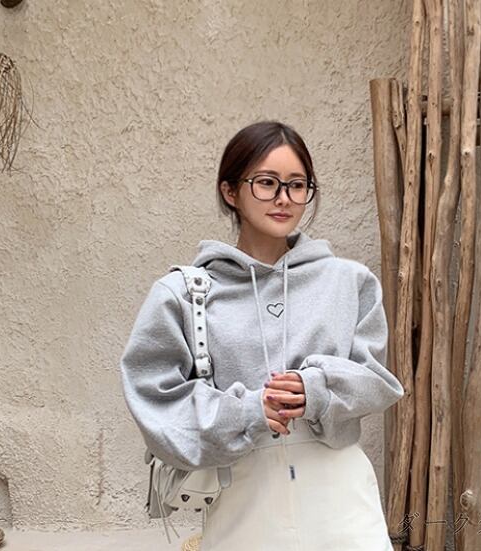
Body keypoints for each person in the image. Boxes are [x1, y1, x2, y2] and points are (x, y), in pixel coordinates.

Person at [119, 120, 405, 550]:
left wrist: (316, 389)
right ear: (230, 191)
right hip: (243, 499)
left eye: (297, 185)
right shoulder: (182, 293)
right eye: (267, 183)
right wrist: (246, 412)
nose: (284, 198)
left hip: (341, 498)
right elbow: (153, 398)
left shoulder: (350, 282)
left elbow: (378, 380)